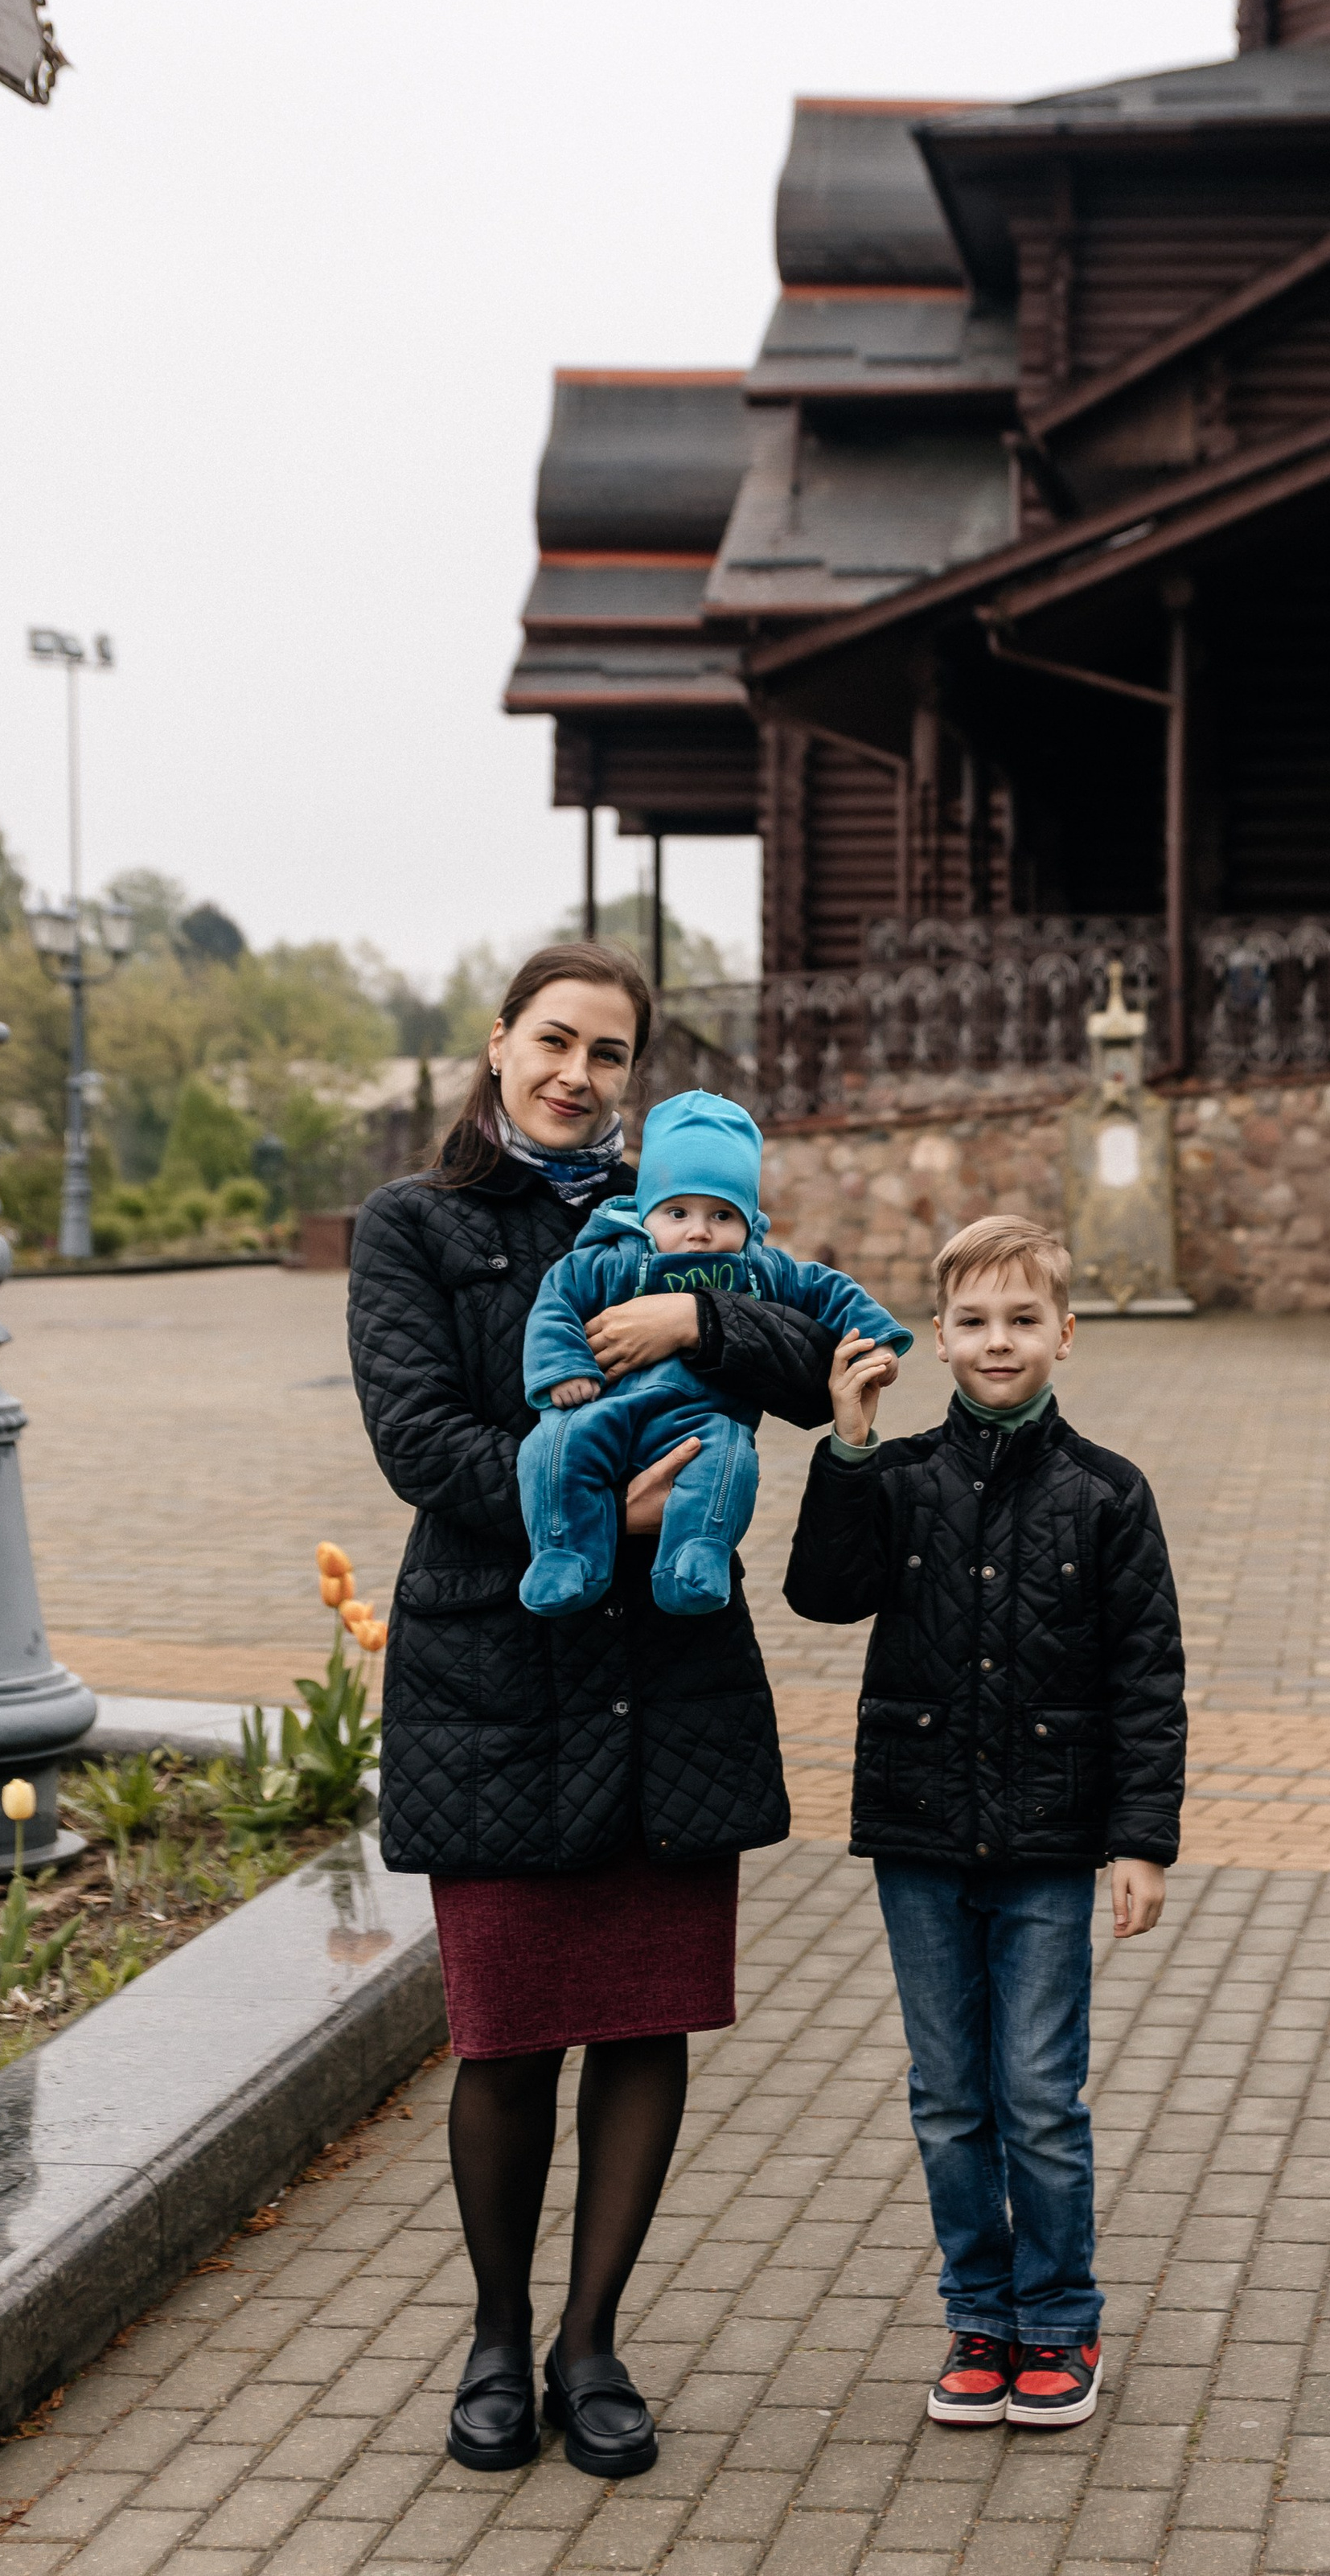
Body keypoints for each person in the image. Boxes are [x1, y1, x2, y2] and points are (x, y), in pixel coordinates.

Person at [347, 942, 842, 2484]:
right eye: (553, 1042)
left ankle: (592, 2340)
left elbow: (826, 1365)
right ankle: (499, 2339)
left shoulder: (703, 1225)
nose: (578, 1075)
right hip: (494, 1667)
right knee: (504, 2038)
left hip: (666, 1676)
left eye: (610, 1054)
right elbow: (418, 1434)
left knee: (643, 2019)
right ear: (495, 1048)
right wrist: (576, 1499)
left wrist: (701, 1328)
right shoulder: (412, 1226)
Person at [783, 1212, 1187, 2432]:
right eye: (972, 1321)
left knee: (1039, 2096)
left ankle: (1059, 2320)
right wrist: (844, 1447)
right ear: (938, 1337)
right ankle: (980, 2313)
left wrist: (1141, 1840)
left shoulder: (1109, 1493)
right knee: (950, 2093)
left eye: (1023, 1320)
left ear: (1064, 1334)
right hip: (918, 1835)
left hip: (1054, 1846)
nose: (997, 1341)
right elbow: (821, 1593)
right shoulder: (898, 1478)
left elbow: (1147, 1679)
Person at [517, 1086, 910, 1618]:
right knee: (553, 1447)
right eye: (677, 1212)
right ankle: (565, 1555)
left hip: (701, 1420)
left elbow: (828, 1291)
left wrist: (875, 1338)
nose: (699, 1232)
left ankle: (695, 1558)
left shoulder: (759, 1268)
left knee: (730, 1462)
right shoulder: (610, 1259)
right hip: (602, 1409)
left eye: (722, 1216)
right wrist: (563, 1367)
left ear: (747, 1220)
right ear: (645, 1212)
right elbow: (556, 1302)